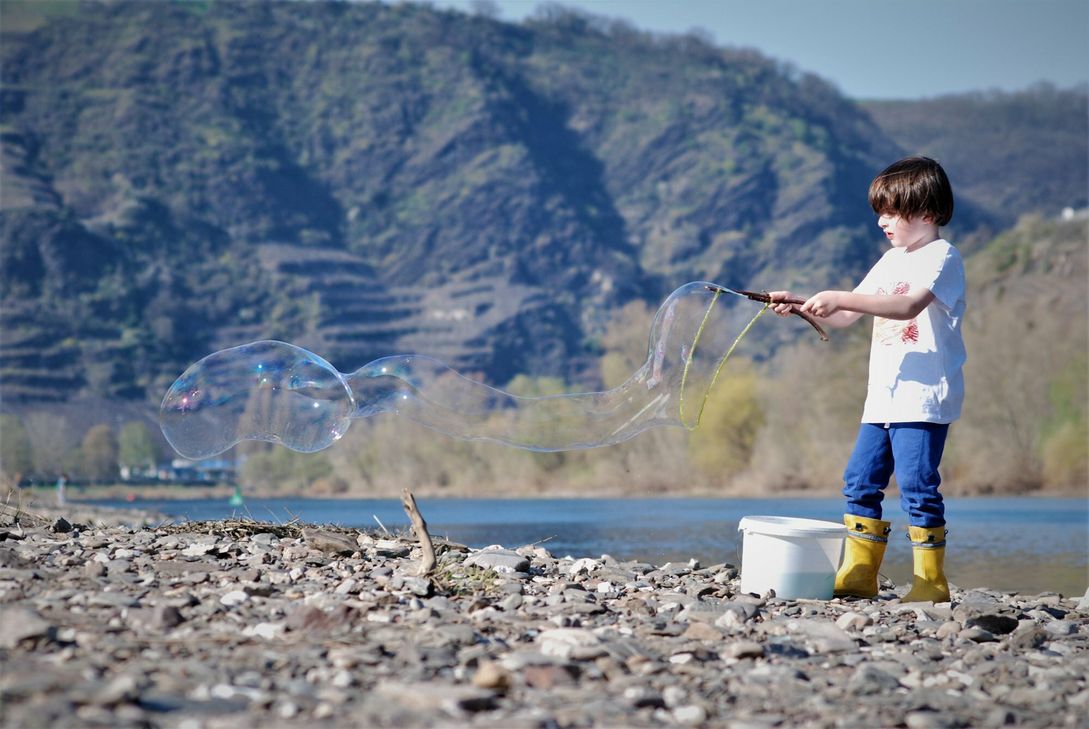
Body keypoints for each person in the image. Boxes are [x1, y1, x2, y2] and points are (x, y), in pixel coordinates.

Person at [769, 156, 966, 603]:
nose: (882, 221)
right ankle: (860, 574)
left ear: (928, 212)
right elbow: (846, 315)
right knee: (860, 480)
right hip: (883, 396)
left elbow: (906, 307)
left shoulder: (942, 257)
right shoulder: (891, 260)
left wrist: (838, 296)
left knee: (917, 484)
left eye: (892, 211)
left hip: (922, 397)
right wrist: (802, 304)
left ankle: (930, 583)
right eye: (881, 211)